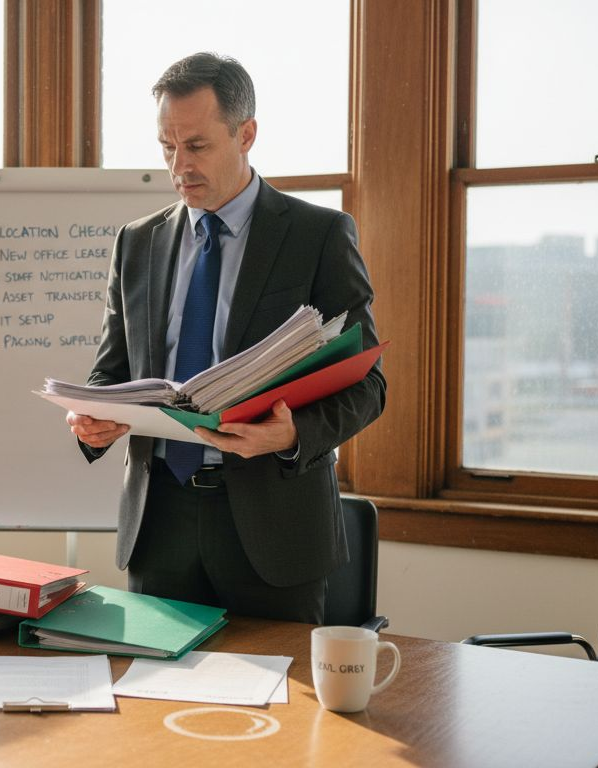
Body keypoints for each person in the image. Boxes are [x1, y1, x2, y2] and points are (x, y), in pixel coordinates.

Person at [66, 52, 385, 623]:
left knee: (286, 707)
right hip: (159, 526)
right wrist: (92, 419)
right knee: (154, 704)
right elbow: (111, 372)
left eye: (196, 145)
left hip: (275, 530)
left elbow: (368, 385)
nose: (178, 166)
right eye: (167, 146)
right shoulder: (135, 244)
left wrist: (291, 435)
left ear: (247, 134)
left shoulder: (317, 235)